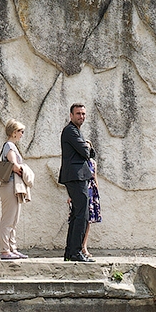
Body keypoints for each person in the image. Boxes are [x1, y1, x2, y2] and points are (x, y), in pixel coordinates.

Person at [59, 103, 95, 262]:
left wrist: (86, 147)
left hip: (77, 176)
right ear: (71, 115)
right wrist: (86, 145)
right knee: (82, 214)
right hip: (75, 176)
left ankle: (70, 252)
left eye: (83, 114)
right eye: (78, 113)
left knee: (77, 214)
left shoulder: (75, 131)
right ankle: (75, 252)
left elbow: (89, 152)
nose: (81, 116)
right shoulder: (71, 131)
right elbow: (87, 152)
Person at [0, 121, 30, 260]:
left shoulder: (11, 146)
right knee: (8, 220)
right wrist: (26, 171)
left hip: (13, 186)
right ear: (14, 132)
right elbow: (14, 165)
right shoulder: (9, 146)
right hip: (10, 185)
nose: (22, 134)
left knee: (14, 219)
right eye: (21, 131)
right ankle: (5, 250)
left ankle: (12, 248)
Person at [69, 158, 102, 258]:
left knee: (88, 220)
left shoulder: (93, 163)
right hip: (80, 190)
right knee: (79, 218)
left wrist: (97, 195)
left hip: (91, 191)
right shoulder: (79, 162)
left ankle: (84, 246)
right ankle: (76, 247)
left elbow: (95, 178)